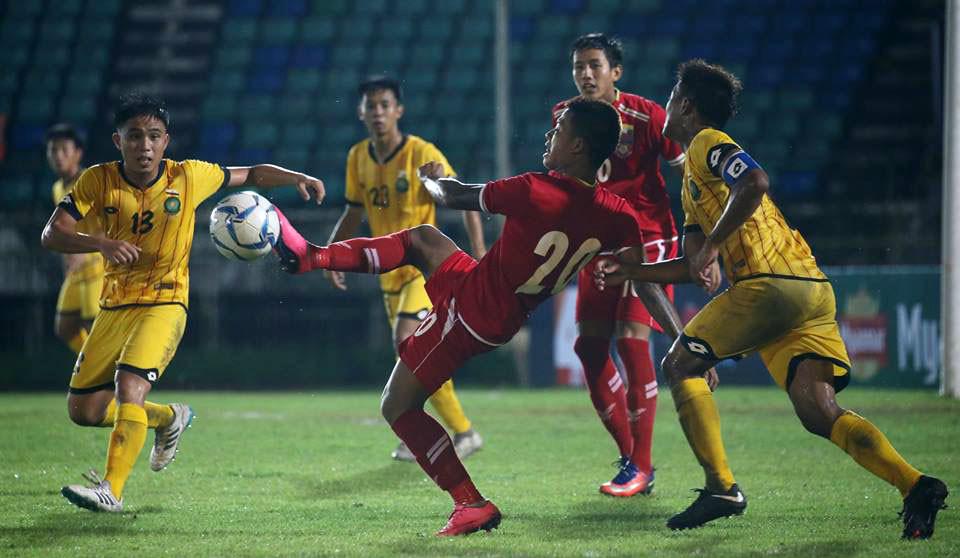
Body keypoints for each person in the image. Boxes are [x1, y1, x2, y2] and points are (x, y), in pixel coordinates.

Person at [273, 98, 694, 535]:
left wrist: (433, 182)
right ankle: (312, 256)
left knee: (397, 405)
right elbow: (642, 279)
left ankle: (470, 503)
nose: (550, 135)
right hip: (497, 304)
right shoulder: (620, 216)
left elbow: (455, 196)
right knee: (425, 240)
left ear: (579, 147)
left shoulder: (535, 188)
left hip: (472, 309)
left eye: (560, 130)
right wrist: (681, 336)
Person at [594, 59, 948, 539]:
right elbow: (694, 263)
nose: (667, 107)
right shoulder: (692, 183)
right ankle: (916, 486)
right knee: (818, 411)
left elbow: (755, 182)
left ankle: (721, 488)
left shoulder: (706, 143)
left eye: (672, 98)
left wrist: (716, 245)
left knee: (680, 365)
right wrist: (634, 270)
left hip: (768, 284)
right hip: (810, 290)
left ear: (688, 107)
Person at [41, 93, 325, 512]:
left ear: (166, 140)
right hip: (115, 303)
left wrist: (294, 176)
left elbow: (250, 175)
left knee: (129, 385)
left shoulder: (189, 176)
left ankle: (111, 490)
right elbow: (53, 233)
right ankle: (168, 418)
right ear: (117, 140)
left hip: (166, 301)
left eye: (154, 136)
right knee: (83, 411)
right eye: (134, 136)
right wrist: (100, 242)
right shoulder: (96, 180)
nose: (145, 145)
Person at [554, 33, 687, 496]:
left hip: (646, 243)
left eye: (594, 66)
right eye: (579, 67)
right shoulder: (565, 117)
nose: (586, 75)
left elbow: (685, 171)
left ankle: (641, 466)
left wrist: (703, 242)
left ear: (616, 72)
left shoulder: (648, 116)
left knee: (632, 343)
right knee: (589, 351)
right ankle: (633, 458)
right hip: (598, 246)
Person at [328, 76, 486, 461]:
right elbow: (354, 210)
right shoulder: (357, 158)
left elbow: (458, 195)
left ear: (399, 110)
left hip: (422, 269)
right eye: (371, 106)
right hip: (389, 275)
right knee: (413, 352)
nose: (378, 112)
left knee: (407, 342)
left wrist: (479, 250)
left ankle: (441, 428)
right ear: (361, 112)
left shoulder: (421, 153)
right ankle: (455, 431)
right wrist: (334, 254)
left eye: (385, 105)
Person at [46, 124, 105, 354]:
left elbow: (111, 225)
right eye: (52, 150)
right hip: (75, 271)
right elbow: (63, 229)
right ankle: (90, 370)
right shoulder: (57, 188)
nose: (57, 156)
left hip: (97, 266)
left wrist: (86, 249)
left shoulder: (89, 182)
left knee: (96, 331)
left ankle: (109, 384)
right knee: (65, 327)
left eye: (63, 150)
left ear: (78, 153)